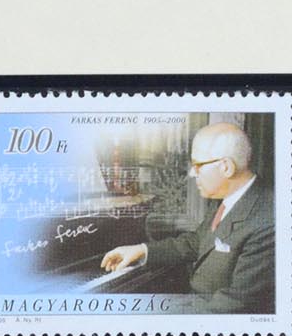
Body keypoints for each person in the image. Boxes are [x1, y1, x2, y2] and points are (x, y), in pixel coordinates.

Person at [101, 123, 274, 311]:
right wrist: (143, 250)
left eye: (198, 166)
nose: (192, 173)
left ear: (226, 167)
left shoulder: (268, 221)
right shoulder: (226, 197)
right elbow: (198, 241)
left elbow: (233, 306)